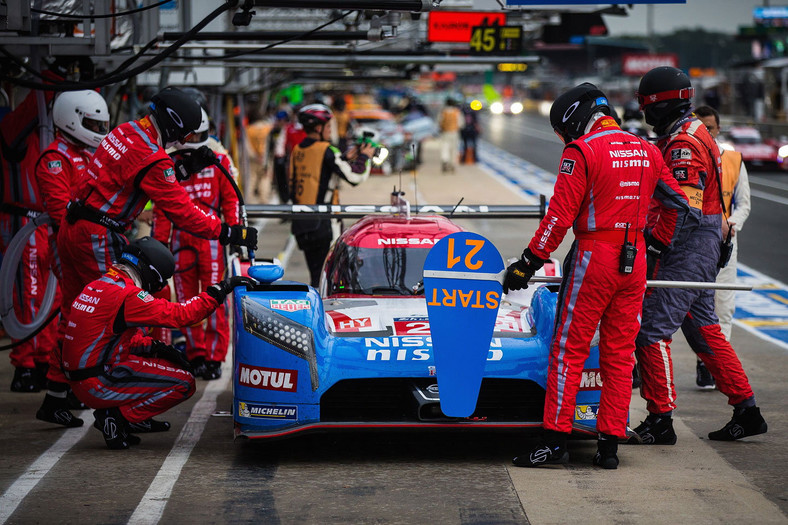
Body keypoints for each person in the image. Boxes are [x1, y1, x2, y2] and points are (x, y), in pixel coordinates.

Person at [504, 83, 691, 469]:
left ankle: (555, 441)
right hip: (634, 258)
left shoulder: (582, 151)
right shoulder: (648, 149)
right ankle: (609, 447)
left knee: (568, 350)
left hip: (594, 257)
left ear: (573, 119)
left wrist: (528, 263)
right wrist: (656, 243)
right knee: (620, 356)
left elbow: (559, 217)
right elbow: (680, 202)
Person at [632, 66, 767, 444]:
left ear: (660, 105)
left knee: (651, 333)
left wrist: (656, 243)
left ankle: (660, 419)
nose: (644, 113)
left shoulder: (683, 145)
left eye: (646, 106)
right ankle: (748, 410)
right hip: (704, 243)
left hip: (687, 245)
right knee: (704, 329)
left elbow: (683, 207)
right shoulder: (691, 132)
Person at [56, 86, 258, 330]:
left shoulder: (126, 131)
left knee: (72, 313)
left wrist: (185, 169)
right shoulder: (154, 158)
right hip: (98, 238)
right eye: (184, 135)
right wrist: (228, 232)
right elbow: (183, 211)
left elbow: (133, 175)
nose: (182, 142)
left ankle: (60, 367)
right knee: (108, 314)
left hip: (71, 227)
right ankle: (109, 367)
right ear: (172, 124)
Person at [61, 237, 254, 449]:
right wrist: (222, 288)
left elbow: (106, 340)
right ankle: (117, 417)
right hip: (98, 382)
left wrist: (156, 348)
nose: (159, 286)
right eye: (160, 280)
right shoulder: (128, 295)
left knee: (161, 360)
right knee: (184, 382)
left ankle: (126, 416)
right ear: (149, 271)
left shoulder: (99, 284)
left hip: (79, 380)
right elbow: (182, 315)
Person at [32, 90, 110, 427]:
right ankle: (55, 396)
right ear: (71, 118)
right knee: (73, 320)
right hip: (68, 247)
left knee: (86, 318)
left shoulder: (86, 152)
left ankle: (75, 386)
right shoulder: (54, 158)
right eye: (92, 123)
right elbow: (59, 210)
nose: (97, 128)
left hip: (86, 245)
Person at [153, 108, 240, 380]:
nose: (193, 138)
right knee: (187, 300)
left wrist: (236, 233)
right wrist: (159, 245)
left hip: (213, 239)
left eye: (197, 133)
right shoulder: (167, 163)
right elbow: (162, 209)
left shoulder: (219, 159)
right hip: (181, 240)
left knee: (215, 297)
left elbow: (231, 199)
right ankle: (196, 354)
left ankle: (215, 357)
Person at [1, 73, 60, 396]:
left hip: (48, 223)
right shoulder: (15, 129)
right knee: (29, 296)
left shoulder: (50, 132)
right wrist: (55, 77)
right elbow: (30, 110)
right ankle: (25, 365)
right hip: (22, 225)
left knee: (54, 298)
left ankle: (42, 360)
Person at [694, 105, 751, 389]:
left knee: (724, 306)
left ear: (718, 129)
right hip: (692, 244)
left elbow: (744, 205)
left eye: (711, 128)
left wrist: (730, 222)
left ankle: (711, 366)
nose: (706, 132)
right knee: (691, 305)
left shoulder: (733, 160)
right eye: (700, 127)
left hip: (725, 243)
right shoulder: (686, 155)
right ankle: (703, 357)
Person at [289, 103, 373, 287]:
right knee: (328, 279)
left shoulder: (298, 150)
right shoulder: (327, 150)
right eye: (328, 127)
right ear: (319, 128)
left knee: (315, 276)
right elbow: (355, 176)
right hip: (324, 224)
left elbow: (311, 174)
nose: (329, 131)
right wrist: (365, 156)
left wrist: (343, 158)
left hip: (302, 224)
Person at [438, 97, 462, 173]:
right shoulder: (457, 112)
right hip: (454, 132)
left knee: (445, 147)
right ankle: (452, 163)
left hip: (445, 132)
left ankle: (445, 160)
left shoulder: (443, 112)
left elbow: (439, 121)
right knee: (454, 149)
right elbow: (461, 123)